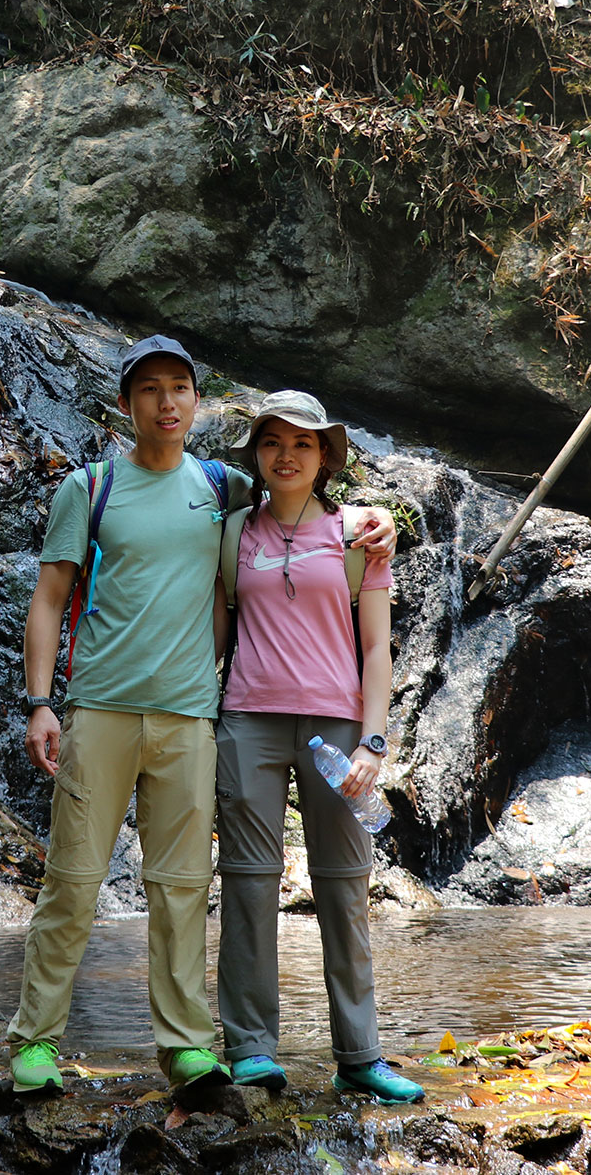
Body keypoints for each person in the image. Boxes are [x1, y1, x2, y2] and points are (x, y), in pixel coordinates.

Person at [9, 340, 396, 1096]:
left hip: (190, 719)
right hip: (101, 710)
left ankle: (187, 1044)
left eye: (179, 388)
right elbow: (49, 598)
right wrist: (40, 701)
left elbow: (313, 514)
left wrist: (378, 517)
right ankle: (35, 1041)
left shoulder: (220, 488)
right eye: (149, 390)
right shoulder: (89, 489)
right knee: (73, 879)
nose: (166, 402)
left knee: (183, 886)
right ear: (127, 404)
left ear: (195, 401)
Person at [213, 390, 425, 1104]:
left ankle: (360, 1055)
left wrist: (374, 739)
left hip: (337, 729)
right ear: (257, 455)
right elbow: (215, 629)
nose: (287, 455)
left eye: (303, 444)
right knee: (247, 879)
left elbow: (375, 647)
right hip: (248, 718)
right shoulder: (234, 529)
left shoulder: (359, 532)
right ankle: (248, 1048)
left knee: (344, 884)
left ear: (326, 456)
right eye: (272, 442)